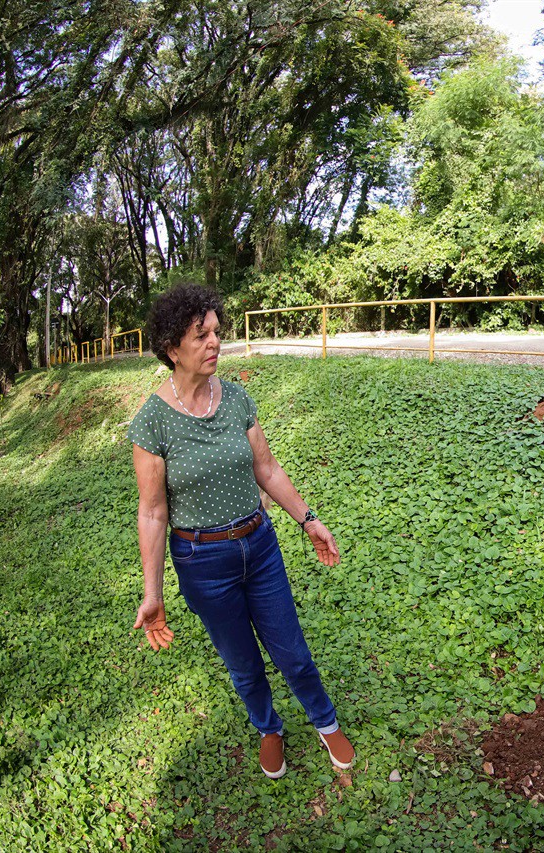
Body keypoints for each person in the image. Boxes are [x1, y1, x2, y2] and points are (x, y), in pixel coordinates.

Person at [128, 283, 353, 779]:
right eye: (200, 335)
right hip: (202, 564)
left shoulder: (236, 400)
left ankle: (325, 720)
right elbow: (152, 512)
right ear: (171, 349)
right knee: (243, 665)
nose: (214, 343)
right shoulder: (152, 423)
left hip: (260, 545)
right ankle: (268, 729)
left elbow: (266, 468)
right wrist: (153, 591)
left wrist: (308, 519)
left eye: (215, 332)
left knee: (292, 651)